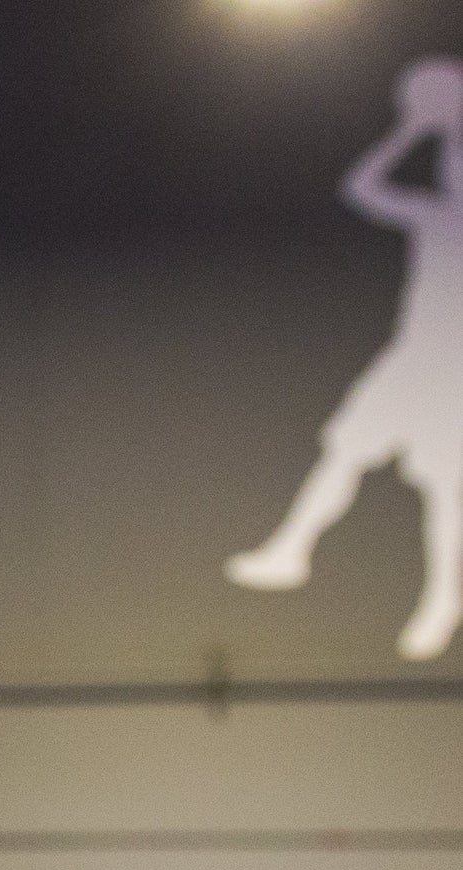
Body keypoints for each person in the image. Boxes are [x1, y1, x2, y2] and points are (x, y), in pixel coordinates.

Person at [226, 58, 463, 660]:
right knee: (346, 449)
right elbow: (361, 188)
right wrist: (414, 129)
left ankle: (442, 600)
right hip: (412, 359)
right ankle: (290, 551)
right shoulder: (435, 216)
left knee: (444, 489)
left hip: (455, 370)